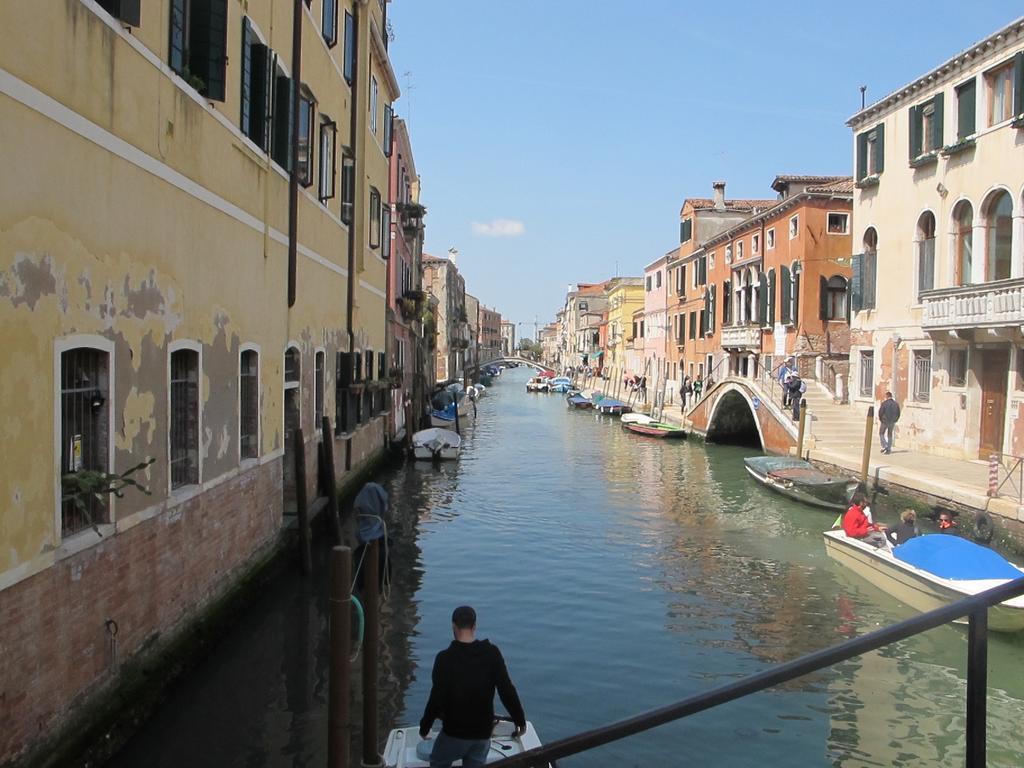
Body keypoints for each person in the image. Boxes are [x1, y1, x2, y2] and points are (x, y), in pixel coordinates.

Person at [419, 606, 527, 768]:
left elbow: (436, 698)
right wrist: (520, 720)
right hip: (482, 734)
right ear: (474, 626)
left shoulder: (444, 659)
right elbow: (507, 690)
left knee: (438, 761)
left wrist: (424, 727)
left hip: (453, 734)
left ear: (453, 627)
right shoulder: (492, 654)